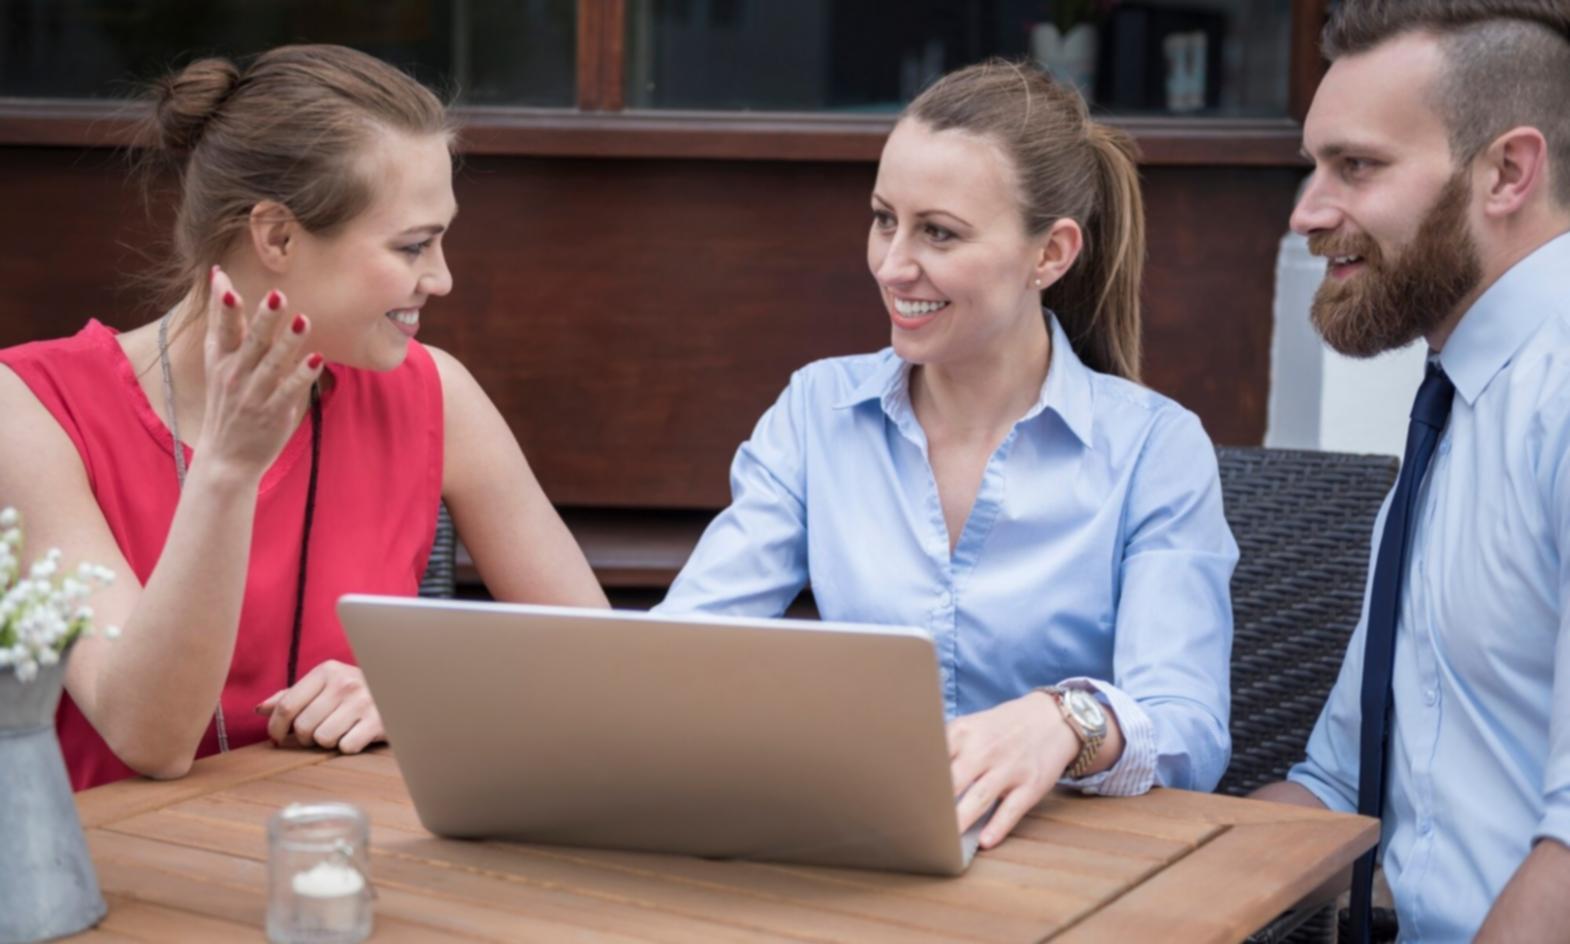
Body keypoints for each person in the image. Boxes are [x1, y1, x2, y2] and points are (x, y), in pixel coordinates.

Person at [655, 60, 1237, 849]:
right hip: (857, 847)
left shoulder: (1154, 448)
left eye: (939, 232)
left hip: (1067, 871)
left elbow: (1189, 731)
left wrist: (1062, 720)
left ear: (1051, 254)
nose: (893, 265)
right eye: (883, 218)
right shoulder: (817, 412)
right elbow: (686, 647)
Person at [0, 45, 608, 791]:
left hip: (352, 865)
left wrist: (420, 687)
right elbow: (148, 738)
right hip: (117, 885)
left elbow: (599, 663)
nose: (441, 279)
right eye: (413, 245)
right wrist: (228, 467)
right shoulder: (30, 408)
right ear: (277, 236)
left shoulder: (434, 394)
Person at [1249, 2, 1570, 940]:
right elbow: (1337, 789)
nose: (1308, 212)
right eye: (1315, 167)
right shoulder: (1459, 405)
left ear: (1507, 171)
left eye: (1357, 167)